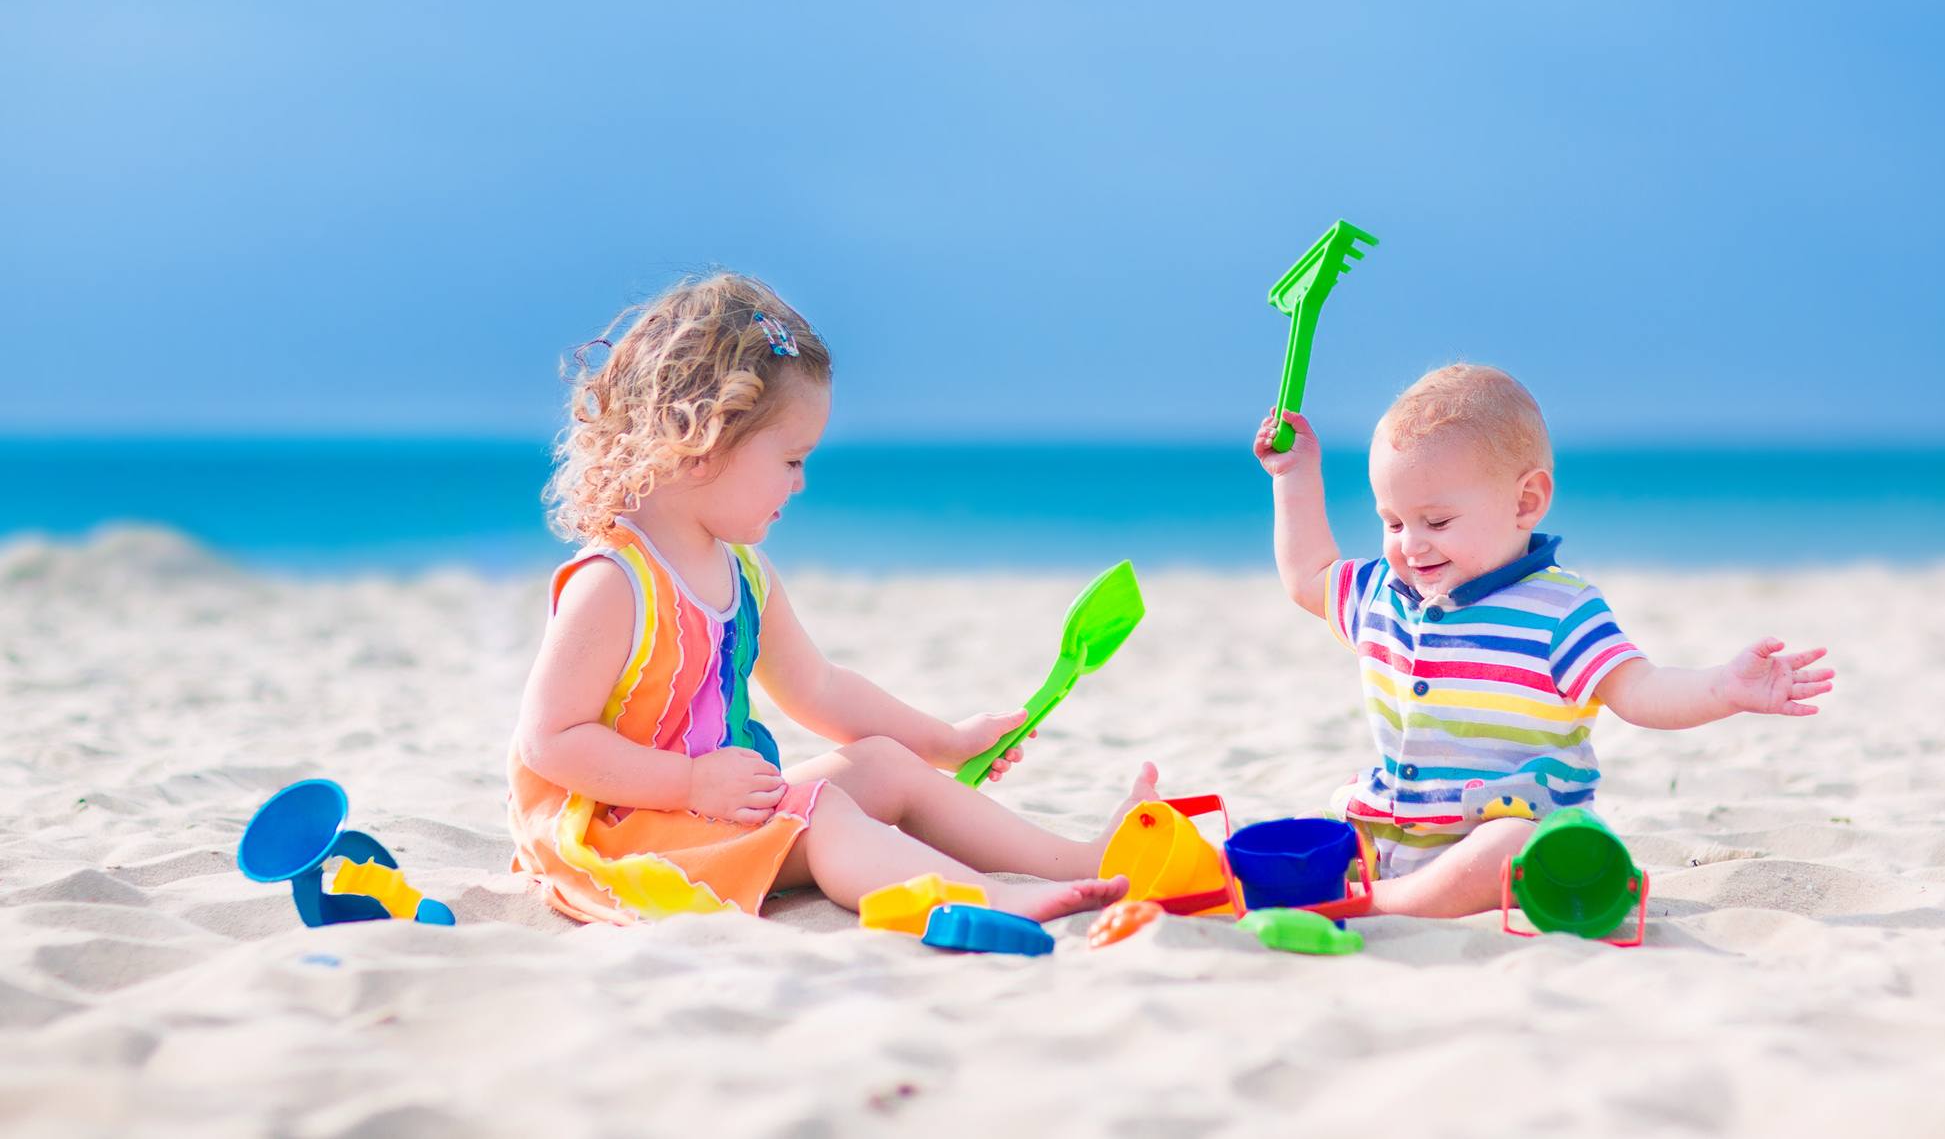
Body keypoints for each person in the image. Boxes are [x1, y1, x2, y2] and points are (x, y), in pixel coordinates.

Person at [508, 270, 1148, 925]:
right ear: (701, 438)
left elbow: (820, 687)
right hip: (626, 838)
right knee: (820, 813)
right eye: (790, 459)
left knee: (883, 765)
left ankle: (1081, 860)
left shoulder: (745, 575)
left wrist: (948, 742)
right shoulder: (615, 582)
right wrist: (690, 783)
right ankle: (989, 899)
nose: (802, 481)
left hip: (711, 814)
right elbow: (550, 739)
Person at [1253, 363, 1834, 916]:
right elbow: (1309, 576)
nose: (1410, 545)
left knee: (1509, 848)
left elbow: (1640, 689)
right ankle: (1338, 888)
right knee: (1308, 831)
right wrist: (1294, 476)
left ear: (1525, 502)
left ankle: (1386, 906)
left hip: (1501, 830)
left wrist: (1721, 688)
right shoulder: (1382, 593)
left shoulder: (1559, 609)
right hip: (1389, 825)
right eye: (1394, 522)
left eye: (1437, 522)